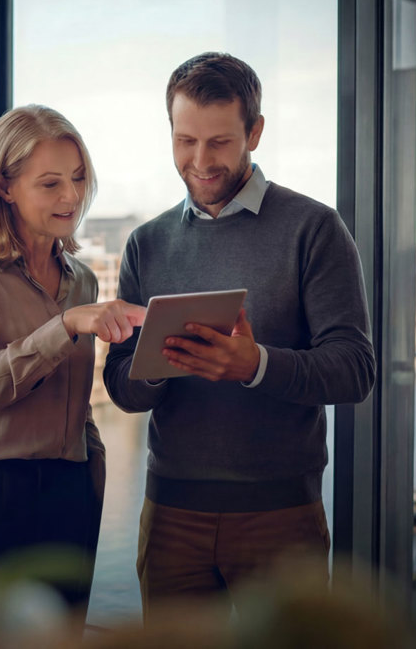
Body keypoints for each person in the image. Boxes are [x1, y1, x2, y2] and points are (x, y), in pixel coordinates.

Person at [103, 52, 376, 618]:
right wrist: (153, 367)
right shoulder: (145, 244)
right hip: (170, 514)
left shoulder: (314, 229)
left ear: (254, 133)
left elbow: (355, 370)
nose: (200, 161)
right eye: (185, 141)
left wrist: (254, 366)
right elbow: (123, 389)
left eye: (220, 142)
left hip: (281, 520)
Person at [0, 104, 146, 618]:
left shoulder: (82, 280)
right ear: (5, 187)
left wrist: (91, 471)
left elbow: (76, 401)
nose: (72, 196)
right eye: (50, 183)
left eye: (79, 178)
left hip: (68, 494)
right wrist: (65, 326)